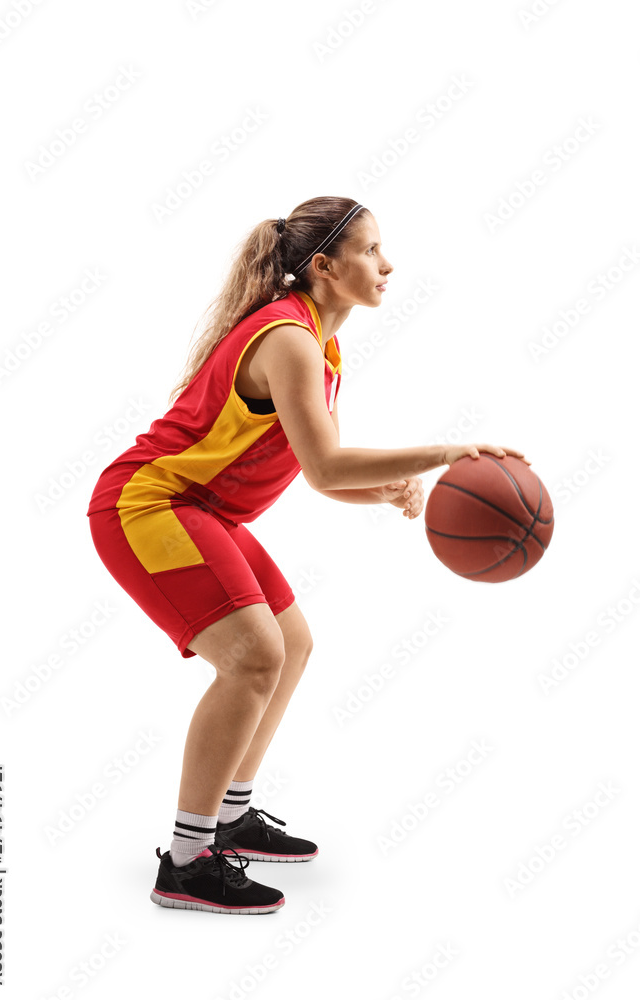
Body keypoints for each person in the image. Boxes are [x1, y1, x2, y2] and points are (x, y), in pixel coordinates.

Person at [86, 195, 528, 915]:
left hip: (200, 510)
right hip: (146, 505)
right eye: (370, 250)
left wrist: (382, 491)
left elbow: (313, 469)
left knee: (289, 644)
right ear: (323, 266)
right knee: (253, 656)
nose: (387, 264)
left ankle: (229, 815)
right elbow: (325, 465)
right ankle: (189, 860)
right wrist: (447, 449)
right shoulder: (287, 339)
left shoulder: (318, 343)